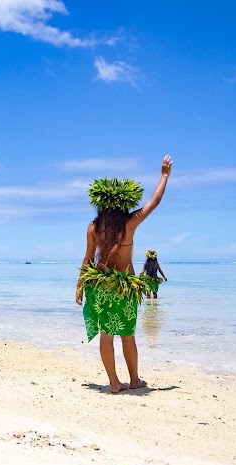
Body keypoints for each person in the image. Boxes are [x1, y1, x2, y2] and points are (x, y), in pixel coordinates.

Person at [76, 155, 173, 393]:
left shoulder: (93, 227)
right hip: (123, 289)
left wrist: (79, 284)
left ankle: (113, 383)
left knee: (106, 335)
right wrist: (164, 176)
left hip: (100, 287)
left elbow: (88, 258)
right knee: (127, 335)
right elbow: (154, 201)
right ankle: (133, 379)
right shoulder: (129, 223)